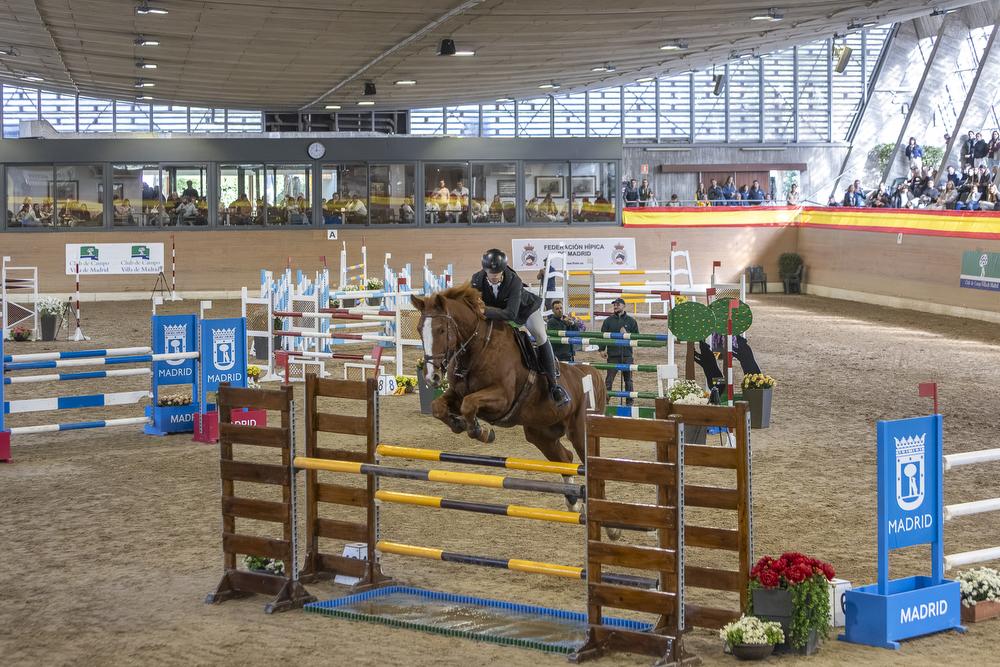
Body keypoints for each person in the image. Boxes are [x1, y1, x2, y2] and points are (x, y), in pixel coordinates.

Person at [471, 249, 570, 407]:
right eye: (491, 273)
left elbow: (511, 314)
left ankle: (554, 386)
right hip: (497, 313)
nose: (494, 276)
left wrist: (485, 310)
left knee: (540, 336)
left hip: (525, 310)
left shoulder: (513, 280)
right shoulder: (476, 280)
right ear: (485, 270)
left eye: (497, 273)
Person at [601, 298, 639, 406]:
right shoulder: (608, 321)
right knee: (609, 380)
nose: (615, 306)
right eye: (614, 305)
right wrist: (601, 349)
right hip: (613, 355)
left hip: (627, 355)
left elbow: (637, 336)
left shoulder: (631, 321)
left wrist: (627, 334)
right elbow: (603, 336)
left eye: (618, 304)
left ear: (623, 306)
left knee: (628, 381)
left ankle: (629, 402)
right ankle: (605, 401)